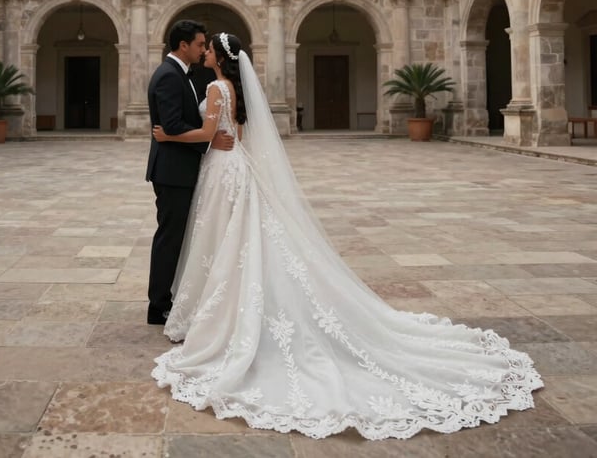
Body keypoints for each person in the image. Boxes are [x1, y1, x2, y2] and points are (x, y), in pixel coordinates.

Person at [150, 32, 543, 440]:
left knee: (220, 239)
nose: (204, 52)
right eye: (203, 46)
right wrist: (218, 140)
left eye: (208, 48)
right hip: (237, 168)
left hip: (221, 168)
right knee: (234, 240)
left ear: (218, 56)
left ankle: (213, 311)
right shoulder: (237, 88)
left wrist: (170, 136)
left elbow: (210, 132)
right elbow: (240, 136)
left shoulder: (215, 87)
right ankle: (217, 305)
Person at [145, 19, 232, 326]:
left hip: (179, 168)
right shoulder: (169, 76)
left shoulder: (181, 74)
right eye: (198, 44)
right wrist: (209, 138)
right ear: (184, 46)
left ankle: (168, 297)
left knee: (176, 236)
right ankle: (158, 306)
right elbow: (170, 126)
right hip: (172, 171)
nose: (201, 50)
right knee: (170, 237)